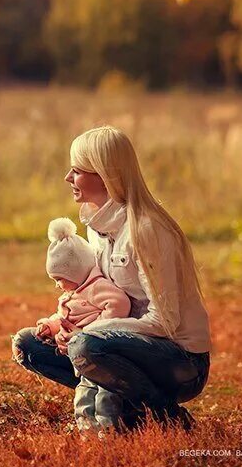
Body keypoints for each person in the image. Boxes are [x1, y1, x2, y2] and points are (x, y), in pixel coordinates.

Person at [11, 126, 212, 431]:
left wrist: (86, 335)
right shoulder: (95, 227)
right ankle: (129, 408)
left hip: (180, 361)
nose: (68, 178)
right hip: (118, 344)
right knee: (28, 344)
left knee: (86, 347)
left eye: (77, 170)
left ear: (104, 175)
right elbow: (100, 295)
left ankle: (165, 415)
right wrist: (68, 328)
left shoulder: (146, 229)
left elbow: (162, 322)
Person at [34, 216, 130, 429]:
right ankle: (88, 431)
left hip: (100, 355)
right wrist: (50, 326)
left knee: (106, 395)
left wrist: (86, 332)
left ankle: (109, 431)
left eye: (59, 279)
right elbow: (63, 319)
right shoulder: (74, 294)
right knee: (84, 393)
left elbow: (120, 304)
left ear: (74, 271)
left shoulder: (96, 287)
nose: (58, 285)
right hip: (82, 360)